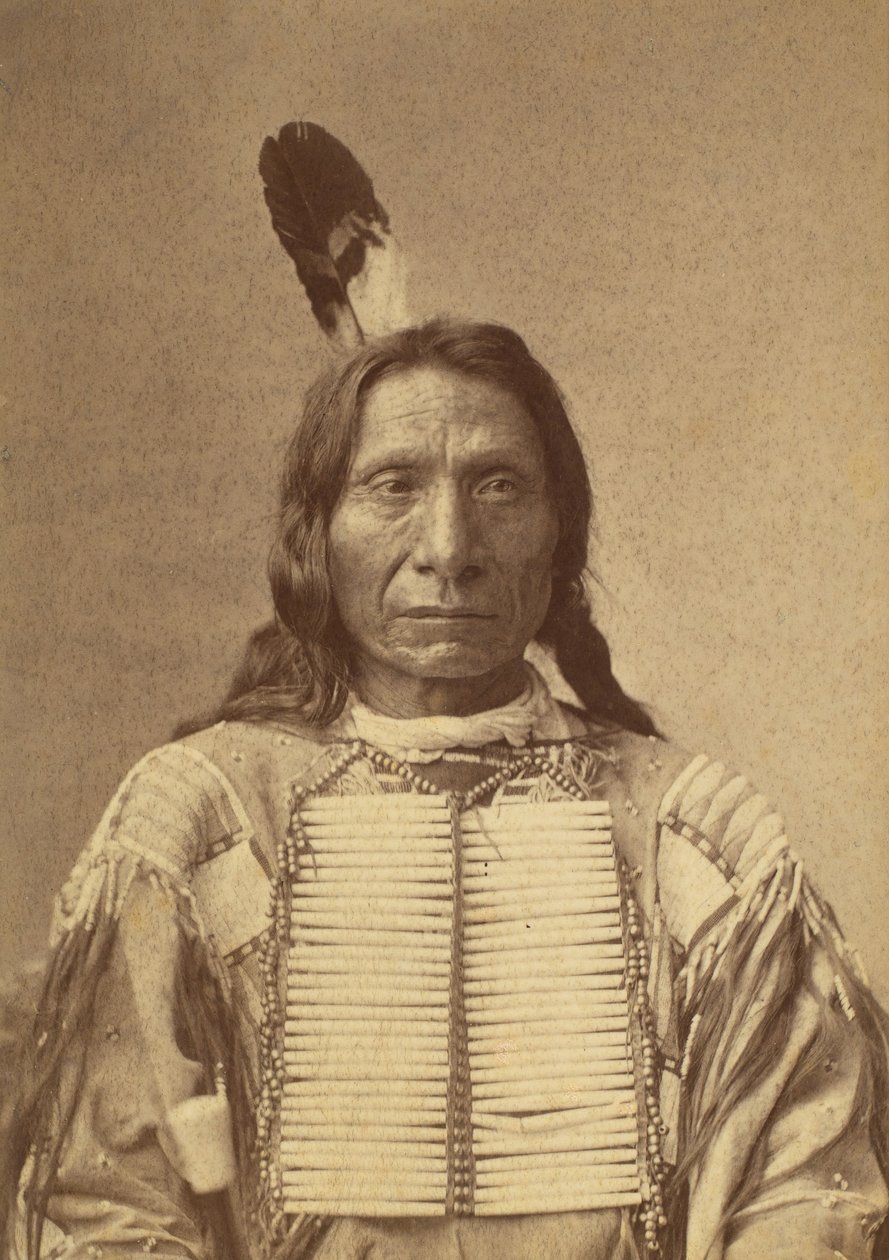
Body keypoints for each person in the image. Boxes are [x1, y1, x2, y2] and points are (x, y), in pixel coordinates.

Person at [4, 318, 888, 1260]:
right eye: (393, 486)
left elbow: (806, 1193)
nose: (449, 547)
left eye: (498, 486)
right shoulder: (200, 820)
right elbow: (103, 1203)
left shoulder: (699, 837)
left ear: (560, 530)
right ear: (316, 532)